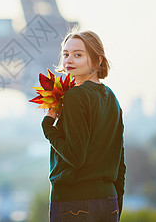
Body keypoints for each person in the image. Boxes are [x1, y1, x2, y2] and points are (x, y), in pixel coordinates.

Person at [41, 29, 126, 222]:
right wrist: (115, 205)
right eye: (66, 54)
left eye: (78, 55)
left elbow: (75, 156)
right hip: (108, 200)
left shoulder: (75, 96)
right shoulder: (112, 98)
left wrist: (48, 127)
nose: (69, 60)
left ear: (98, 61)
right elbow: (120, 162)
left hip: (74, 202)